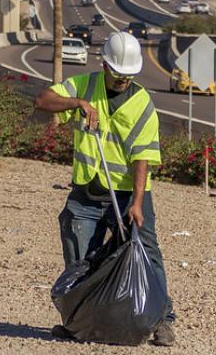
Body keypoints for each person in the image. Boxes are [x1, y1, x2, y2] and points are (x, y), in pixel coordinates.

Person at [34, 31, 176, 346]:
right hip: (87, 192)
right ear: (105, 66)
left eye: (128, 76)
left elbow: (143, 158)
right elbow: (42, 100)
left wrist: (137, 203)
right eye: (118, 74)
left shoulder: (141, 103)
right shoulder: (84, 85)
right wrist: (76, 103)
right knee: (80, 259)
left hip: (127, 196)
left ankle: (161, 319)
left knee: (145, 253)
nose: (123, 80)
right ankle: (81, 321)